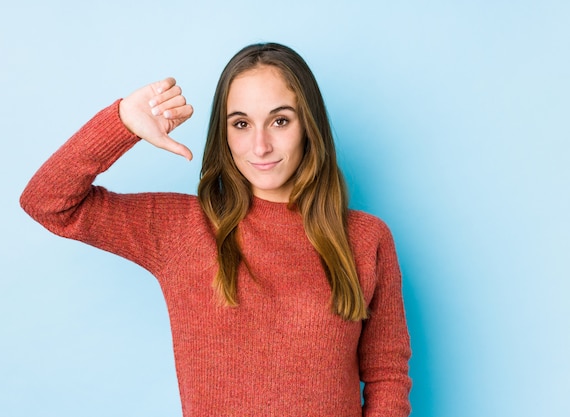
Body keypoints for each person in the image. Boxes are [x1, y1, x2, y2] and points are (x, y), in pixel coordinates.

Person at [20, 42, 412, 416]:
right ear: (223, 135)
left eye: (280, 121)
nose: (260, 146)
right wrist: (122, 121)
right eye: (241, 123)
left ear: (308, 125)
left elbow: (387, 376)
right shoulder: (180, 229)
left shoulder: (364, 238)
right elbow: (48, 203)